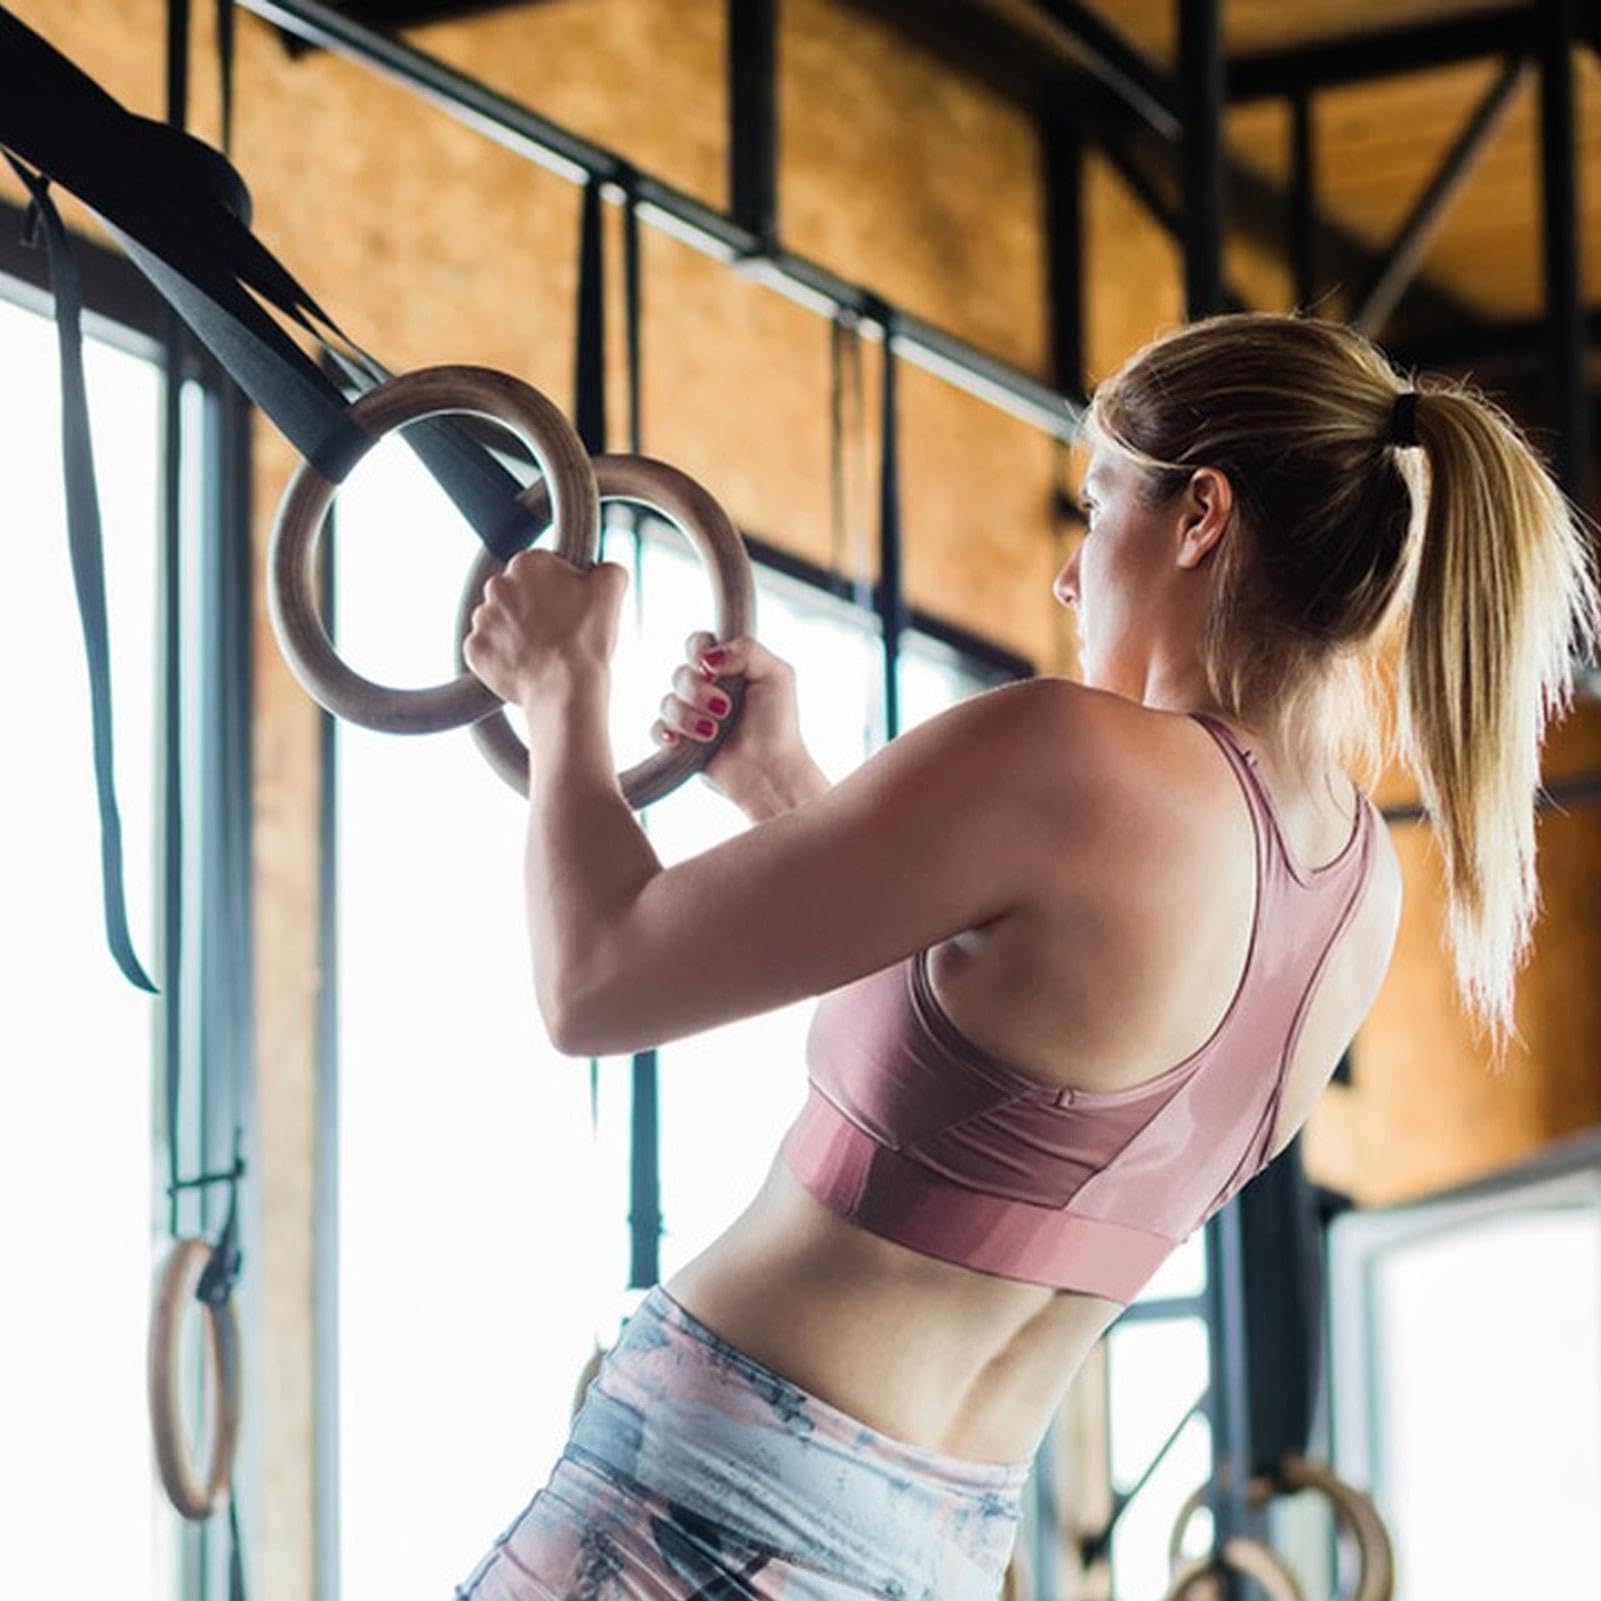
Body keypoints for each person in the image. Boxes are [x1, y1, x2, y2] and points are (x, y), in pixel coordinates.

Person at [455, 310, 1599, 1600]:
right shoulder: (1354, 892)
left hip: (705, 1497)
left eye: (1096, 506)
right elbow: (1002, 1110)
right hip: (938, 1551)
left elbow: (598, 981)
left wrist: (560, 693)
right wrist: (787, 791)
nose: (1070, 575)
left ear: (1201, 515)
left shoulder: (1072, 755)